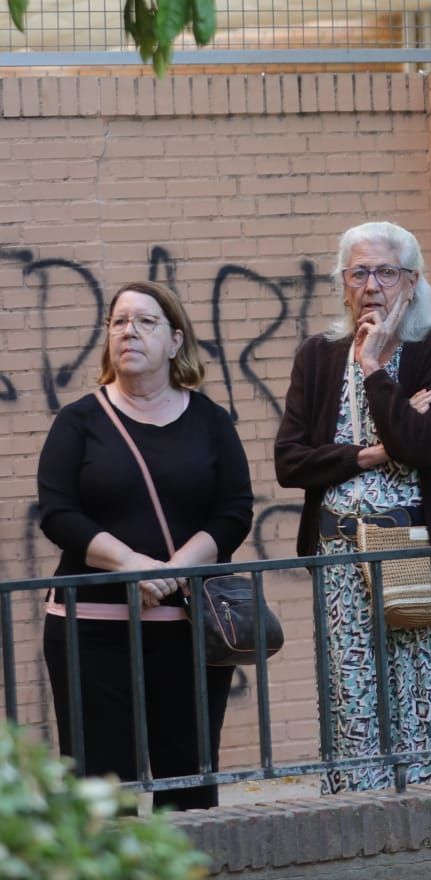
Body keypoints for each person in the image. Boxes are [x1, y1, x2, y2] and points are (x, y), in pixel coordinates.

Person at [274, 221, 431, 793]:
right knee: (353, 697)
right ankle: (361, 818)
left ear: (411, 282)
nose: (372, 285)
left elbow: (423, 446)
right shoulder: (317, 357)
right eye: (359, 272)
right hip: (339, 552)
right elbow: (289, 463)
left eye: (386, 272)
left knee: (427, 692)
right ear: (343, 283)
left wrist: (372, 369)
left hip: (415, 545)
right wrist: (372, 453)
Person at [37, 282, 254, 811]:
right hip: (90, 630)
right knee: (102, 791)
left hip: (188, 633)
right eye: (118, 322)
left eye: (146, 321)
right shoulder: (78, 422)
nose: (128, 330)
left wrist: (174, 570)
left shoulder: (210, 421)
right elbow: (59, 513)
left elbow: (233, 512)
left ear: (176, 340)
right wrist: (134, 566)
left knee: (189, 784)